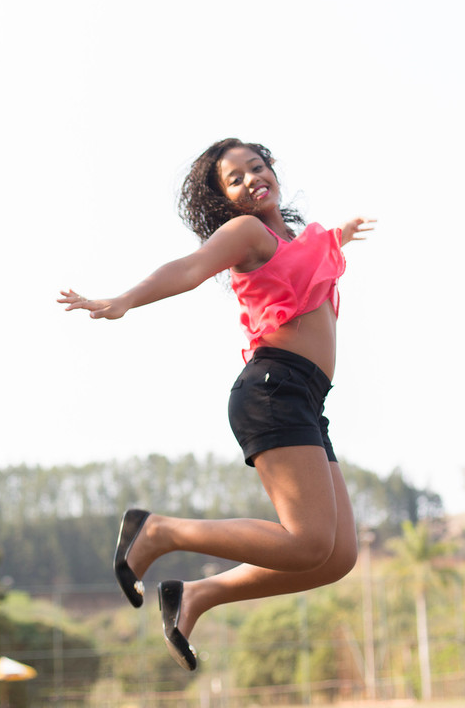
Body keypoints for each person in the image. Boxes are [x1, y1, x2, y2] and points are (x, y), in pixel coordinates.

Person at [58, 138, 375, 671]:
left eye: (257, 166)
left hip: (306, 399)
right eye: (236, 179)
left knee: (336, 556)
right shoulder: (247, 232)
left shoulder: (301, 239)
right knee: (307, 542)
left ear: (272, 169)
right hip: (274, 389)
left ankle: (196, 595)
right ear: (225, 199)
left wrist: (340, 234)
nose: (252, 178)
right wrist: (126, 299)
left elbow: (311, 258)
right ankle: (159, 531)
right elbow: (191, 267)